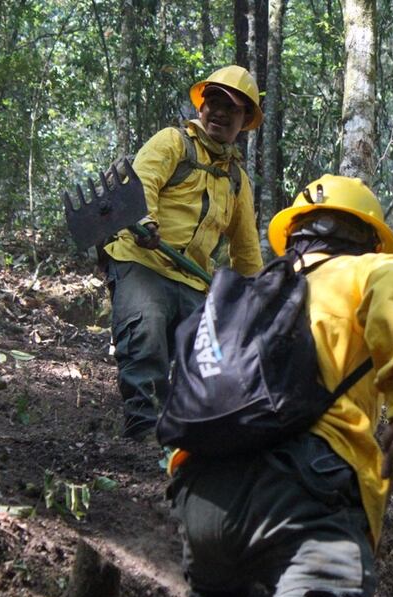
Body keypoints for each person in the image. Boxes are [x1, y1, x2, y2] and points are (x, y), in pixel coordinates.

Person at [166, 174, 393, 597]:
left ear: (294, 233)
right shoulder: (376, 269)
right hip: (304, 493)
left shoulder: (251, 292)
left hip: (201, 493)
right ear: (369, 237)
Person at [104, 65, 264, 440]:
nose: (220, 113)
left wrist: (257, 300)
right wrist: (147, 221)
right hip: (141, 260)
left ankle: (189, 439)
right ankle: (143, 433)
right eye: (214, 102)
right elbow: (143, 182)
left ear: (245, 121)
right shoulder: (173, 142)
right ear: (202, 106)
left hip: (192, 278)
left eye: (232, 109)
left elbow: (246, 251)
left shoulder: (238, 181)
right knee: (146, 339)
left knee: (209, 361)